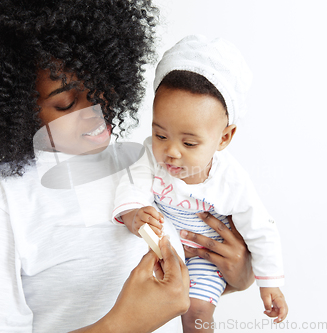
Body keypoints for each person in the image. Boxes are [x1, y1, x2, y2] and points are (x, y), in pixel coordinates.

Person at [0, 2, 253, 332]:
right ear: (16, 109)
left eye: (99, 88)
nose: (96, 111)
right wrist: (121, 325)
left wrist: (237, 275)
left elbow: (179, 286)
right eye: (66, 103)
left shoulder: (149, 164)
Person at [113, 35, 288, 332]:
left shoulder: (231, 180)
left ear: (224, 138)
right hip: (166, 243)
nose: (171, 152)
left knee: (197, 310)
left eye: (189, 142)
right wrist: (132, 213)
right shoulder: (151, 158)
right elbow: (133, 183)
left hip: (207, 255)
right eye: (161, 135)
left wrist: (269, 283)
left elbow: (260, 228)